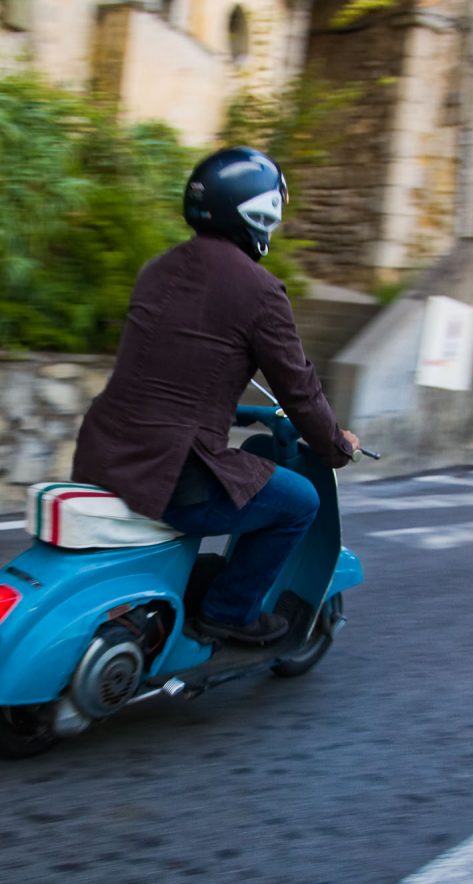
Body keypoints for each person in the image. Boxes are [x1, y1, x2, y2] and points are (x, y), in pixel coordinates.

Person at [71, 146, 359, 646]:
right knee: (298, 501)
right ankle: (230, 611)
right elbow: (299, 388)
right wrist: (337, 446)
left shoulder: (157, 269)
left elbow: (170, 374)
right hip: (171, 473)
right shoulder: (260, 290)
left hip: (103, 452)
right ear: (261, 213)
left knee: (247, 487)